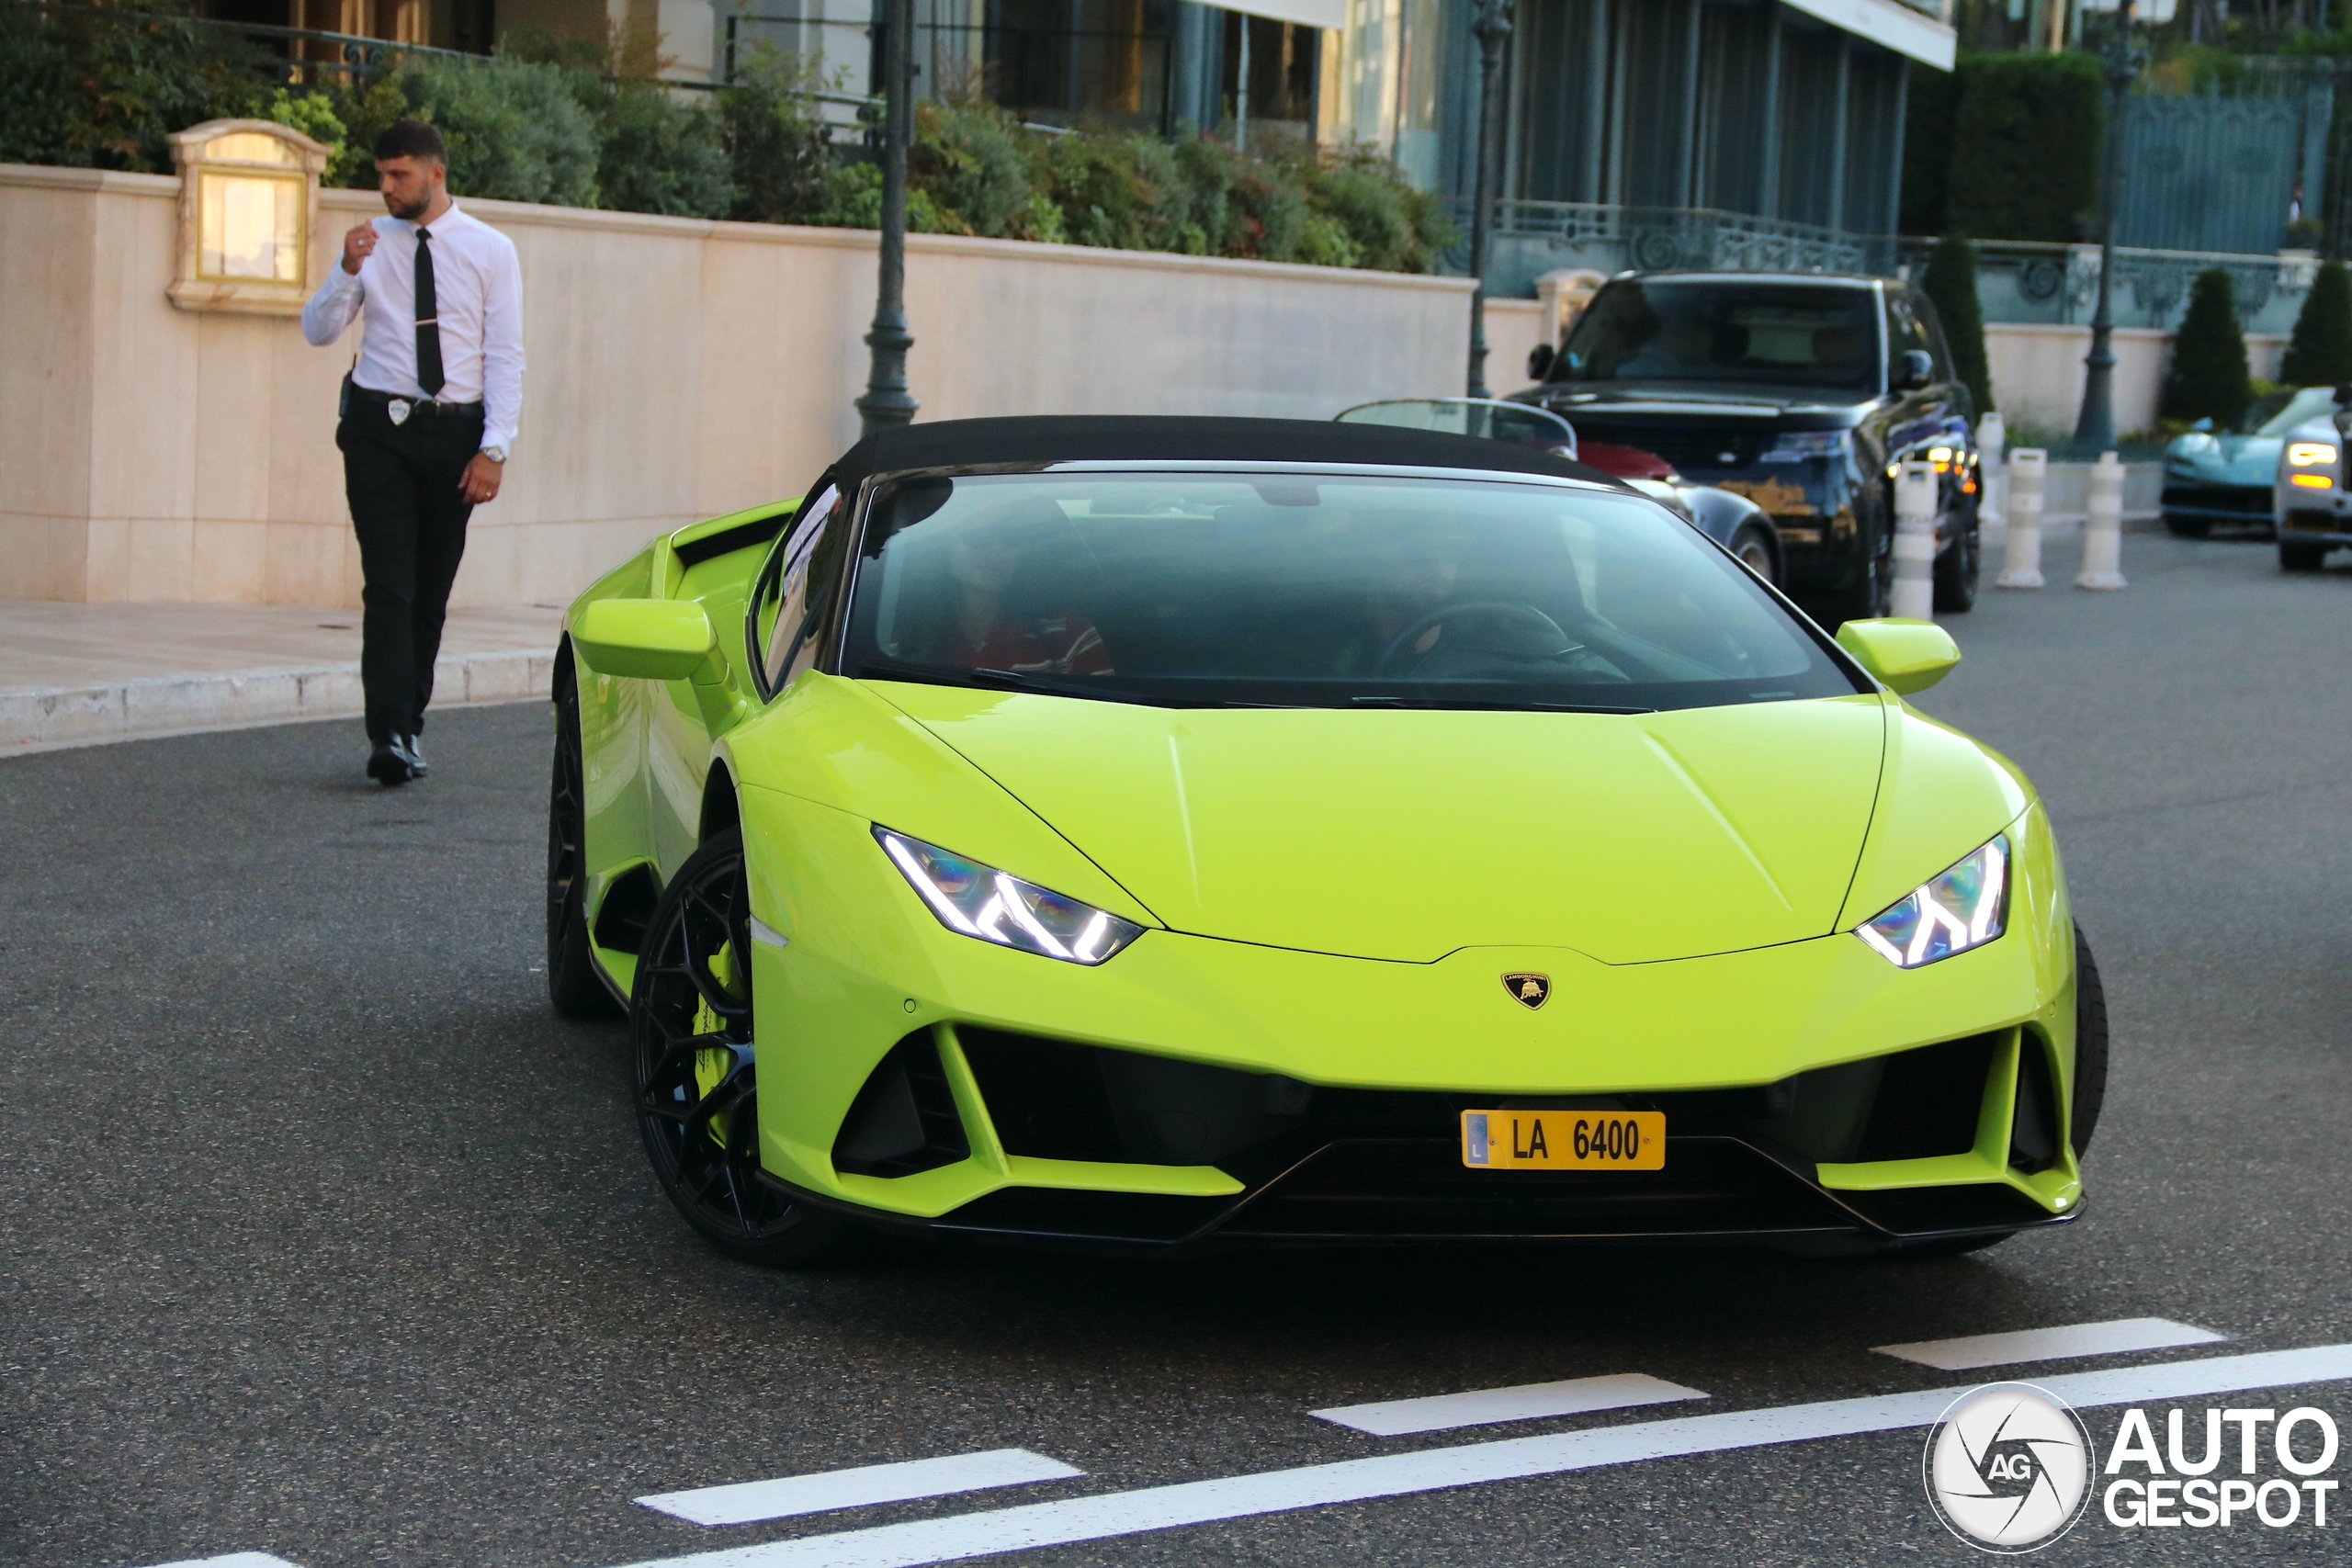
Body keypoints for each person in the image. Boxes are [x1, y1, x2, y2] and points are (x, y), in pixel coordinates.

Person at [301, 120, 524, 785]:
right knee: (389, 585)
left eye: (399, 175)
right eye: (382, 175)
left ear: (436, 174)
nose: (387, 187)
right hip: (380, 429)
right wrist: (346, 270)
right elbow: (318, 330)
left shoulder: (491, 249)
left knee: (430, 587)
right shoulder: (370, 244)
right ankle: (388, 733)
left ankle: (409, 724)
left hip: (455, 434)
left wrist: (495, 449)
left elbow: (506, 354)